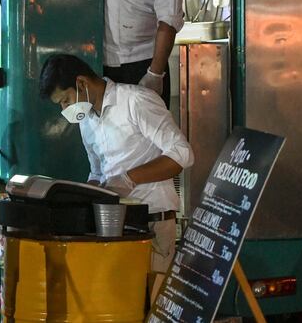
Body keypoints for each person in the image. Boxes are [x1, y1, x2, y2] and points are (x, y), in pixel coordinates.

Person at [39, 54, 193, 292]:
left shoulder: (135, 101)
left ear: (81, 83)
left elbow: (182, 154)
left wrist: (129, 179)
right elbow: (97, 170)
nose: (65, 109)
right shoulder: (86, 119)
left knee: (150, 307)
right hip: (114, 227)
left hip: (152, 222)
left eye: (66, 100)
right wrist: (89, 192)